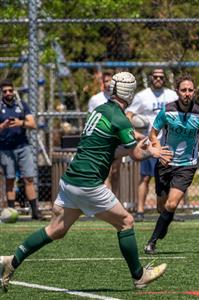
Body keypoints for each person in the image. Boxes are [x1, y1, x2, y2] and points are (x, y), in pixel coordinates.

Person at [0, 72, 173, 292]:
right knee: (126, 221)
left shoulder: (100, 111)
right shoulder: (119, 117)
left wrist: (145, 146)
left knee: (55, 230)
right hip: (88, 183)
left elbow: (112, 149)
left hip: (71, 179)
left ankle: (11, 261)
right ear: (129, 92)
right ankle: (139, 276)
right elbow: (136, 155)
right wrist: (153, 151)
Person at [143, 74, 199, 254]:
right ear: (177, 91)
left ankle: (151, 242)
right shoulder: (166, 111)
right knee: (162, 206)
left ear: (194, 92)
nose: (187, 93)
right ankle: (165, 222)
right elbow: (153, 134)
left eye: (190, 90)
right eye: (184, 90)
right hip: (165, 163)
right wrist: (159, 150)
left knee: (172, 205)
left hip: (187, 165)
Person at [126, 69, 178, 222]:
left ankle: (166, 211)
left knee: (168, 178)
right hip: (150, 141)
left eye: (161, 77)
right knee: (145, 177)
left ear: (165, 79)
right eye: (155, 77)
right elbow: (128, 115)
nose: (158, 79)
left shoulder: (171, 95)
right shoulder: (142, 96)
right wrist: (135, 133)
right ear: (150, 78)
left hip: (168, 141)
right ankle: (140, 211)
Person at [0, 79, 43, 220]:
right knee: (10, 179)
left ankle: (35, 211)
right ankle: (12, 212)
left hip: (23, 147)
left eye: (10, 90)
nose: (8, 93)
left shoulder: (22, 105)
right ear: (2, 92)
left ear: (14, 91)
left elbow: (33, 123)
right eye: (5, 91)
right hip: (6, 149)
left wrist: (20, 123)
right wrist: (4, 126)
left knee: (29, 178)